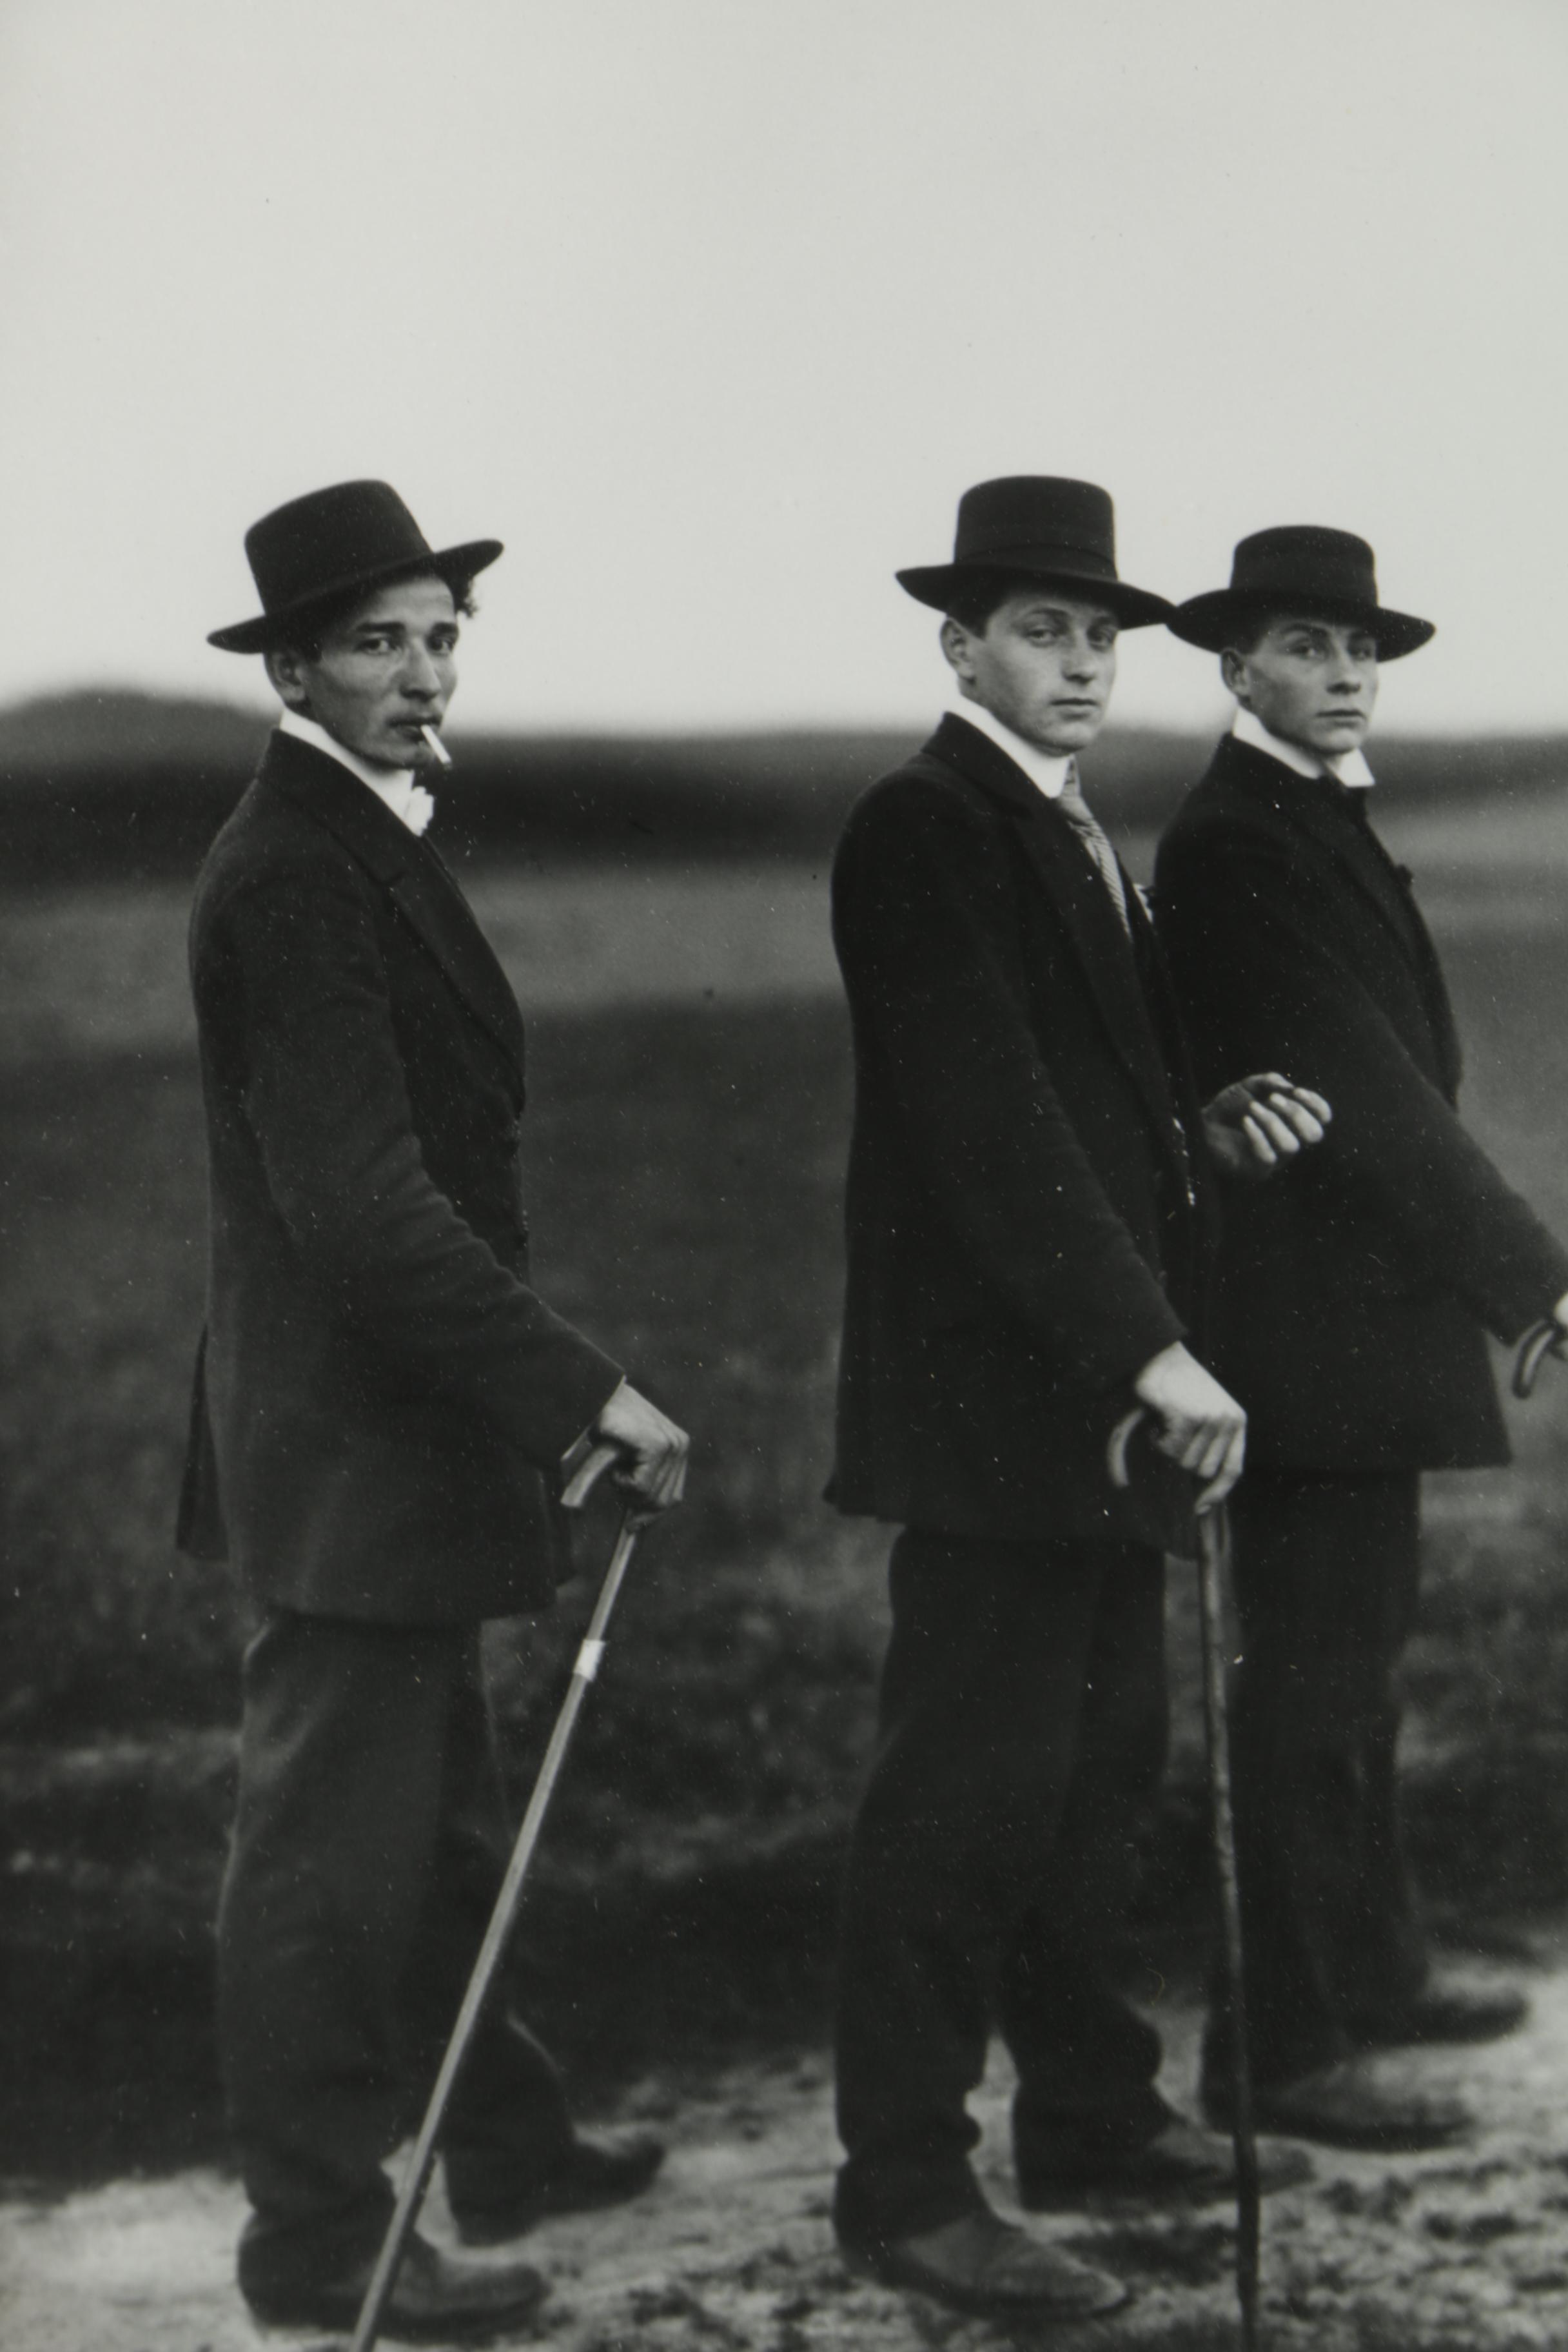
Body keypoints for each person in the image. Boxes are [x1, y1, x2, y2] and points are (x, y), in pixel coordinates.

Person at [179, 479, 689, 2338]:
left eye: (441, 636)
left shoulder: (357, 834)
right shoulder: (302, 864)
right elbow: (365, 1207)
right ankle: (315, 2250)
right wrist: (585, 1394)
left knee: (446, 1820)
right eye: (379, 641)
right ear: (296, 665)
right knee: (325, 1867)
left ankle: (513, 2138)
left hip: (387, 1436)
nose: (422, 672)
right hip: (348, 1446)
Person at [826, 476, 1323, 2325]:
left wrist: (1197, 1137)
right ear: (962, 644)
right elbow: (988, 1126)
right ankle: (905, 2190)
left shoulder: (1063, 820)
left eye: (1104, 633)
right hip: (996, 1414)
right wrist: (1154, 1346)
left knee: (1095, 1776)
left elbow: (1084, 1107)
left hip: (1088, 1403)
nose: (1086, 660)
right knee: (959, 1800)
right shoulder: (922, 825)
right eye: (1047, 628)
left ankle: (1094, 2114)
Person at [1153, 525, 1568, 2150]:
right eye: (1309, 649)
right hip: (1299, 1337)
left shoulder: (1305, 817)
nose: (1342, 677)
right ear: (1235, 664)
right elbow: (1366, 1096)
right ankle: (1279, 2046)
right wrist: (1533, 1280)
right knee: (1307, 1686)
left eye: (1360, 652)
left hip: (1355, 1328)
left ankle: (1373, 1970)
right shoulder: (1236, 842)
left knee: (1358, 1670)